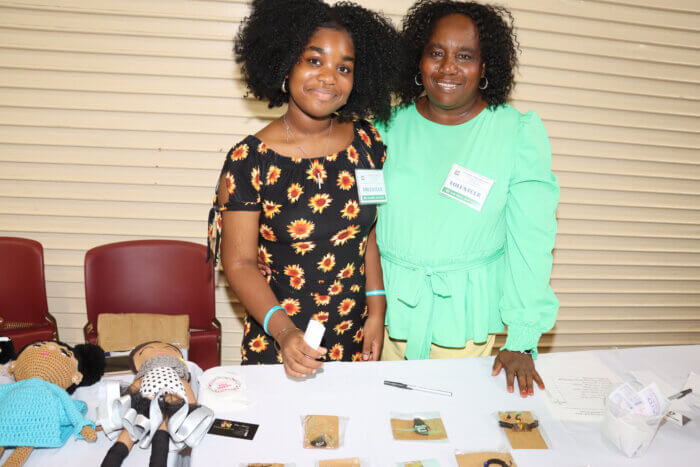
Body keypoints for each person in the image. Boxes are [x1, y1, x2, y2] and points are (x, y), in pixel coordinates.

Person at [207, 0, 401, 378]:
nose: (329, 77)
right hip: (281, 343)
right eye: (314, 61)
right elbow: (240, 264)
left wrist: (377, 310)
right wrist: (285, 333)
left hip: (352, 334)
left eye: (344, 67)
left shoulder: (367, 142)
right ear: (285, 64)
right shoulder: (249, 160)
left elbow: (369, 235)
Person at [375, 0, 559, 397]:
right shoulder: (384, 126)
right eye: (436, 53)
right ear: (418, 59)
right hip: (381, 318)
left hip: (465, 327)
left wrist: (523, 337)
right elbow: (354, 224)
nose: (448, 67)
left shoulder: (515, 133)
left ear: (485, 65)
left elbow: (531, 239)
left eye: (465, 56)